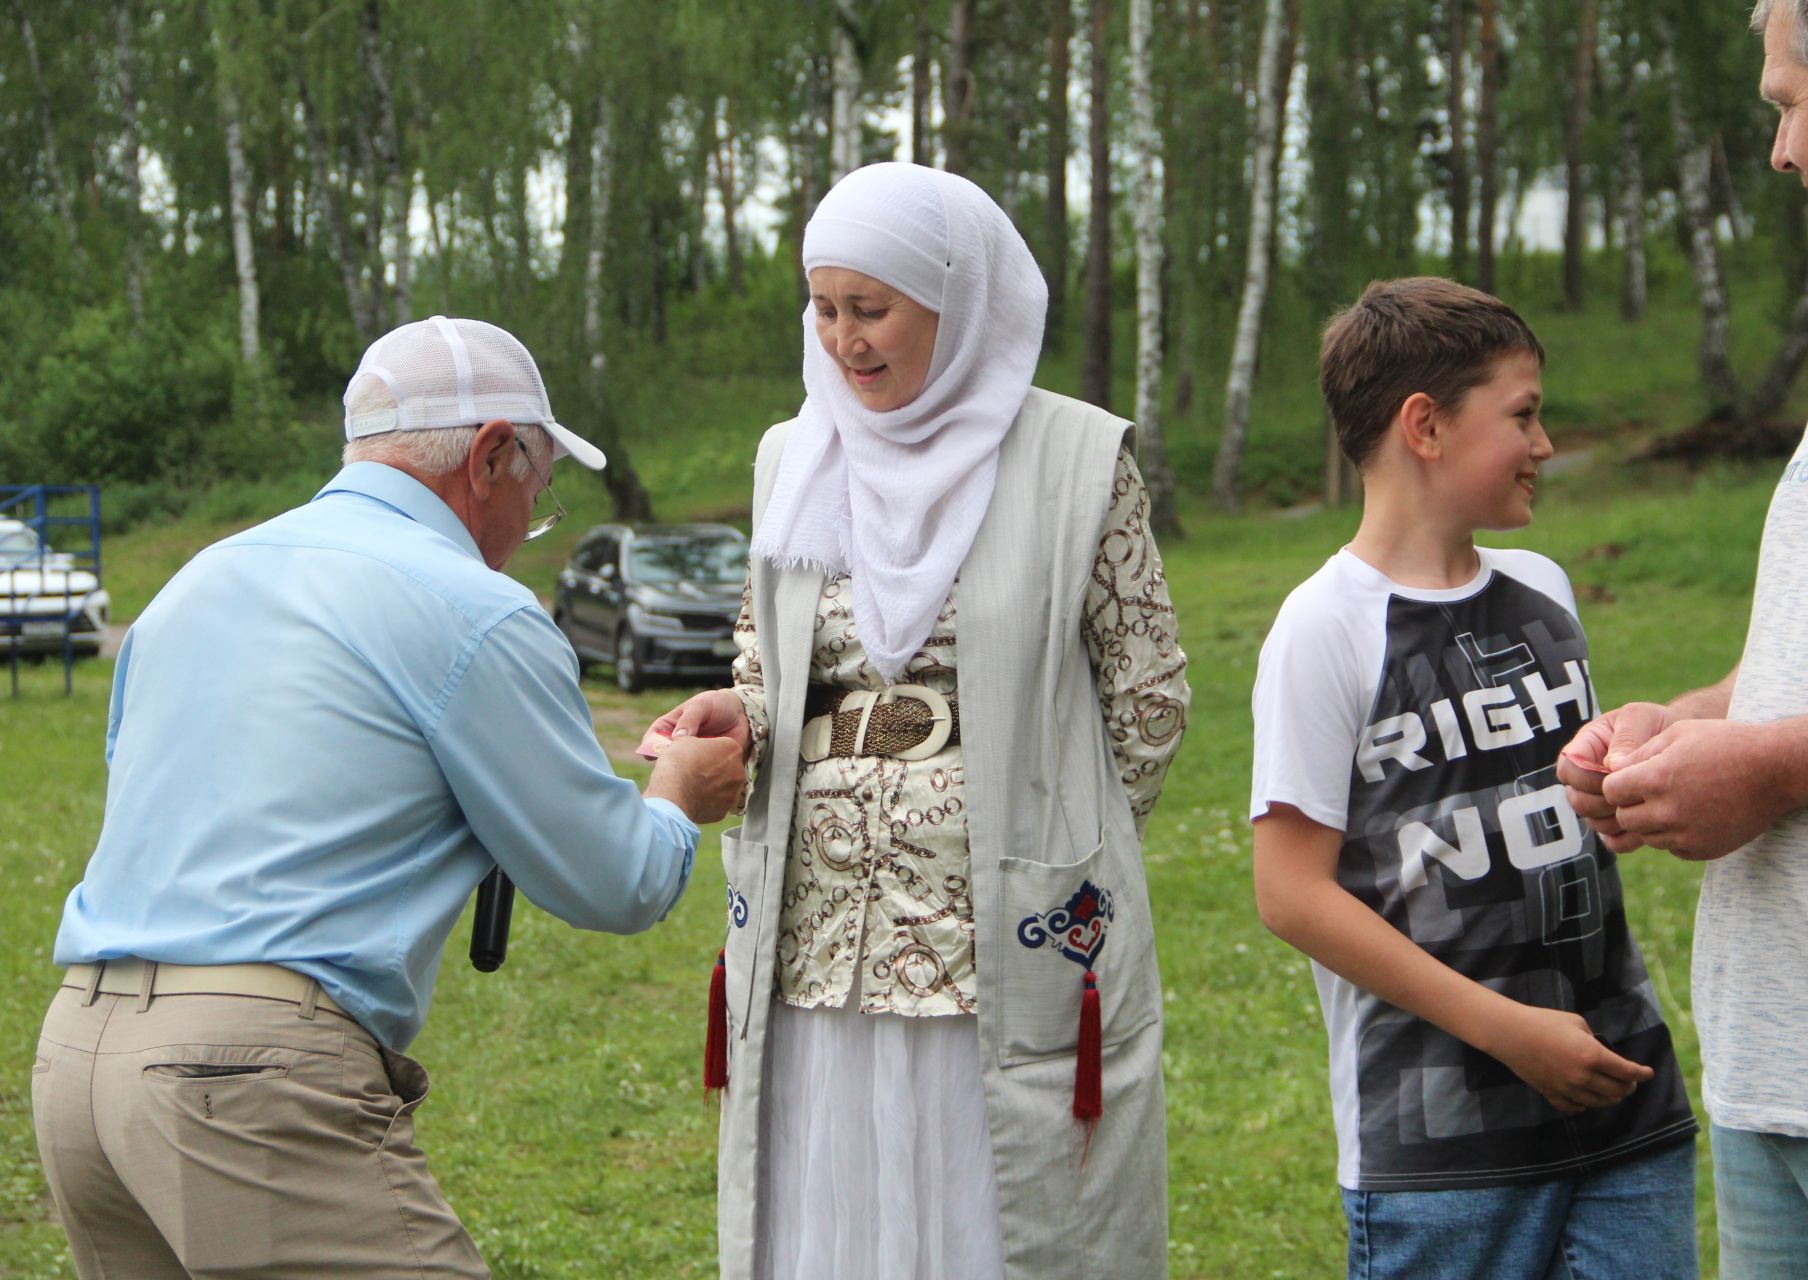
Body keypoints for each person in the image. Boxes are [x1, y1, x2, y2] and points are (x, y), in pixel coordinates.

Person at [31, 315, 745, 1278]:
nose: (526, 528)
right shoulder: (474, 606)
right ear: (492, 454)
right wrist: (675, 793)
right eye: (537, 493)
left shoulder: (198, 580)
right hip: (243, 1078)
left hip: (78, 1056)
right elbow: (615, 881)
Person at [648, 162, 1190, 1280]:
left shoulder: (1076, 460)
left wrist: (1044, 819)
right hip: (822, 940)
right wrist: (733, 714)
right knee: (837, 1211)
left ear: (958, 298)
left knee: (990, 1207)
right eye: (825, 307)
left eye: (873, 308)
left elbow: (1148, 698)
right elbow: (770, 665)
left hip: (996, 940)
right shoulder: (794, 458)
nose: (845, 339)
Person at [1557, 4, 1808, 1276]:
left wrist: (1772, 769)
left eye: (1782, 104)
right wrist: (1692, 725)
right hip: (1778, 1068)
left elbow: (1806, 738)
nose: (1777, 149)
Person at [1249, 278, 1699, 1279]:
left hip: (1628, 1107)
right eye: (1525, 414)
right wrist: (1508, 1032)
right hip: (1444, 1153)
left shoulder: (1543, 588)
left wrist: (1617, 789)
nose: (1545, 443)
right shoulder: (1323, 629)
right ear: (1426, 426)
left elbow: (1557, 804)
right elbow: (1289, 892)